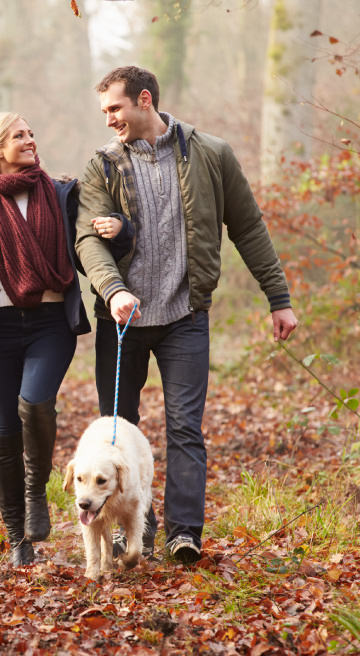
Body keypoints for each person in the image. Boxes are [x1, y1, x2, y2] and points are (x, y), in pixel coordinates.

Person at [75, 65, 299, 565]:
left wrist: (278, 297)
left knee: (185, 430)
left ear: (145, 100)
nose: (109, 119)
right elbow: (87, 239)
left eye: (116, 108)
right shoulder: (102, 166)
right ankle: (125, 533)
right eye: (105, 111)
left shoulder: (211, 154)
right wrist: (112, 291)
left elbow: (249, 227)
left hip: (185, 317)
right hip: (122, 321)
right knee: (118, 431)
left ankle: (183, 534)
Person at [0, 112, 133, 567]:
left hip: (50, 323)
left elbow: (92, 246)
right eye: (19, 136)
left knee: (34, 402)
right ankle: (18, 539)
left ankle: (37, 489)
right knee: (3, 434)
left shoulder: (59, 193)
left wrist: (121, 232)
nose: (30, 140)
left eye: (31, 133)